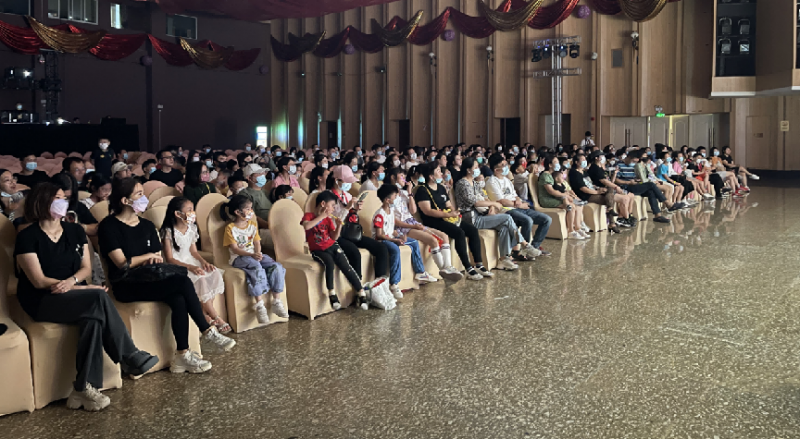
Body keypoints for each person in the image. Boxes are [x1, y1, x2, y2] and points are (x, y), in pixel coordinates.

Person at [15, 182, 158, 411]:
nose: (63, 203)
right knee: (98, 298)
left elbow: (85, 269)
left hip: (74, 293)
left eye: (64, 198)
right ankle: (129, 355)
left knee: (93, 319)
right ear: (41, 202)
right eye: (57, 199)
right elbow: (38, 281)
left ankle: (83, 388)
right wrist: (81, 289)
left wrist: (73, 283)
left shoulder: (75, 231)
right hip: (42, 299)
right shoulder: (27, 236)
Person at [98, 178, 234, 374]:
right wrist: (147, 257)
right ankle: (207, 330)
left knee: (178, 298)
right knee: (182, 281)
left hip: (151, 277)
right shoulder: (109, 226)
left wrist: (151, 258)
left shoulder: (146, 225)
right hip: (126, 283)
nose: (143, 198)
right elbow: (121, 263)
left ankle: (182, 355)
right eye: (139, 194)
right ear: (125, 200)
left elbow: (157, 256)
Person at [161, 197, 231, 334]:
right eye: (189, 210)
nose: (193, 213)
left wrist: (204, 262)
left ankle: (205, 314)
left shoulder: (192, 228)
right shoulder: (168, 231)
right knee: (200, 278)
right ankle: (215, 316)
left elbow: (193, 252)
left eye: (193, 210)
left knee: (214, 272)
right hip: (178, 265)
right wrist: (190, 267)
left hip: (191, 260)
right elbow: (169, 258)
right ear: (178, 213)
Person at [218, 194, 289, 323]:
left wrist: (258, 253)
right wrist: (252, 255)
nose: (251, 211)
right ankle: (259, 305)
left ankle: (276, 300)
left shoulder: (252, 225)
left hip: (254, 255)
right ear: (238, 212)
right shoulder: (230, 228)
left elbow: (257, 242)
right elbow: (235, 249)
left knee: (275, 265)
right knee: (256, 267)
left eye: (251, 208)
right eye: (248, 209)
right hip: (239, 257)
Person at [454, 158, 534, 269]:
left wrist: (491, 206)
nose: (478, 169)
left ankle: (504, 258)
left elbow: (485, 197)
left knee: (505, 226)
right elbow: (475, 202)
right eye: (475, 167)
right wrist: (494, 203)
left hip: (482, 214)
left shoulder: (474, 183)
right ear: (468, 170)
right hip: (471, 218)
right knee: (507, 218)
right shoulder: (462, 184)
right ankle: (524, 244)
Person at [414, 163, 490, 280]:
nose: (441, 173)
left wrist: (454, 213)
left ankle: (479, 264)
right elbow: (427, 211)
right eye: (438, 171)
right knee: (459, 233)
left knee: (472, 230)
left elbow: (448, 205)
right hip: (433, 221)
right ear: (431, 176)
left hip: (447, 218)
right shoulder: (422, 190)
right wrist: (448, 214)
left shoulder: (441, 188)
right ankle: (468, 268)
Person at [384, 168, 462, 281]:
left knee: (444, 236)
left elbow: (413, 211)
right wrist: (413, 226)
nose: (404, 179)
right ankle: (444, 270)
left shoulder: (404, 193)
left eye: (404, 176)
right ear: (393, 177)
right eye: (401, 176)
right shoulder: (388, 196)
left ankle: (448, 267)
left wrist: (410, 193)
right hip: (402, 227)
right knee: (433, 240)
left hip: (412, 222)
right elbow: (393, 220)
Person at [304, 190, 369, 310]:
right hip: (318, 250)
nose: (334, 209)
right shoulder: (309, 216)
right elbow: (307, 226)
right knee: (329, 263)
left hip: (332, 246)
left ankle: (361, 293)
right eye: (332, 206)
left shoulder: (329, 219)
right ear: (323, 204)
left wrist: (339, 225)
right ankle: (332, 295)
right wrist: (322, 216)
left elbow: (334, 237)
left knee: (346, 266)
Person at [373, 184, 438, 297]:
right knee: (395, 250)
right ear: (387, 200)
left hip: (391, 237)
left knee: (414, 242)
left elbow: (392, 228)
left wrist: (400, 235)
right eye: (394, 196)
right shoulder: (379, 215)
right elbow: (379, 235)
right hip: (382, 240)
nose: (397, 198)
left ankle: (420, 272)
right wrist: (394, 240)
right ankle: (394, 284)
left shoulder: (390, 211)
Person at [485, 155, 550, 256]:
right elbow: (502, 201)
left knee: (546, 219)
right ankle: (523, 251)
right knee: (527, 220)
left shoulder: (506, 180)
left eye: (506, 164)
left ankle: (534, 247)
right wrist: (519, 205)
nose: (506, 166)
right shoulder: (492, 182)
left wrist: (519, 200)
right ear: (496, 170)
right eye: (503, 165)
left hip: (517, 206)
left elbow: (515, 195)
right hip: (506, 210)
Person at [614, 150, 682, 224]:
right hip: (626, 187)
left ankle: (658, 215)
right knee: (651, 185)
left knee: (651, 191)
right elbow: (616, 180)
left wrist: (637, 180)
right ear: (629, 157)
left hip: (635, 184)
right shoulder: (618, 165)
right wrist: (628, 182)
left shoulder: (634, 165)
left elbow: (638, 176)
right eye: (634, 160)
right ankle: (667, 203)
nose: (635, 162)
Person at [568, 154, 621, 234]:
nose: (585, 161)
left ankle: (610, 214)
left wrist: (598, 188)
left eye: (585, 159)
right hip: (585, 195)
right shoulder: (574, 173)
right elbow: (583, 188)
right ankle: (612, 222)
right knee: (610, 199)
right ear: (576, 162)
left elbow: (590, 184)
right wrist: (597, 192)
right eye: (582, 160)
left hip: (593, 191)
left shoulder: (584, 172)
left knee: (609, 189)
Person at [538, 155, 587, 240]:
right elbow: (551, 191)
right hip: (547, 199)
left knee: (577, 206)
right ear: (550, 165)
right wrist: (565, 195)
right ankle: (571, 231)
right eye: (556, 162)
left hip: (555, 197)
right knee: (571, 207)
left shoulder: (553, 174)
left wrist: (568, 195)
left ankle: (577, 228)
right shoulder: (546, 175)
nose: (558, 164)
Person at [240, 164, 271, 229]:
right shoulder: (245, 194)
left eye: (263, 173)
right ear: (249, 178)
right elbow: (252, 217)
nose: (263, 176)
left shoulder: (266, 192)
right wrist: (269, 226)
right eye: (259, 174)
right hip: (261, 229)